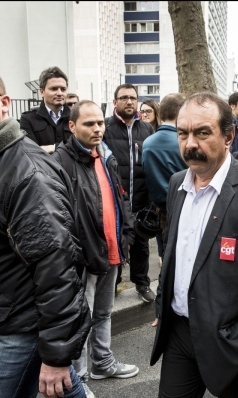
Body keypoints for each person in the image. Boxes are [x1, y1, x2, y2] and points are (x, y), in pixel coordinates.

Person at [0, 64, 90, 398]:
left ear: (4, 102)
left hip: (22, 326)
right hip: (16, 318)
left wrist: (55, 355)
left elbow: (55, 265)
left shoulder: (24, 170)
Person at [150, 92, 238, 398]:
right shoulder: (177, 184)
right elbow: (174, 250)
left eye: (202, 133)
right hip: (178, 333)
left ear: (229, 136)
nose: (190, 144)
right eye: (183, 133)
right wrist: (163, 304)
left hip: (231, 341)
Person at [53, 101, 138, 398]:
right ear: (72, 126)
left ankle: (101, 362)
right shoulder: (61, 161)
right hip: (84, 256)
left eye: (99, 123)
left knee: (103, 312)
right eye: (89, 124)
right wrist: (79, 252)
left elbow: (118, 197)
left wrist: (126, 232)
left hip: (111, 250)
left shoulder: (105, 155)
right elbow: (60, 215)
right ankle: (79, 376)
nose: (97, 129)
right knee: (81, 317)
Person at [103, 84, 156, 302]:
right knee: (115, 242)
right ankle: (113, 284)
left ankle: (142, 284)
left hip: (141, 196)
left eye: (133, 98)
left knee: (141, 244)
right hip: (115, 199)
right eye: (124, 98)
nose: (129, 101)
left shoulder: (146, 129)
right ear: (115, 102)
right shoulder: (106, 128)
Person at [142, 93, 187, 241]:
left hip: (162, 208)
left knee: (167, 253)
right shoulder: (184, 142)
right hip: (186, 206)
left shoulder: (148, 143)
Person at [20, 66, 72, 153]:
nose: (59, 93)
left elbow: (83, 146)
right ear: (42, 92)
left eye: (63, 89)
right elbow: (29, 152)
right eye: (54, 89)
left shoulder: (76, 117)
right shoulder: (28, 119)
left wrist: (50, 148)